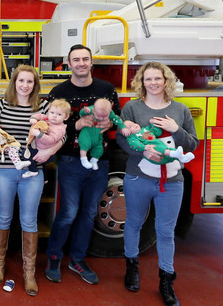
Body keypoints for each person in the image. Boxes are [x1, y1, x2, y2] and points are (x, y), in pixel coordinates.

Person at [115, 62, 198, 305]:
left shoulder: (180, 110)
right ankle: (131, 268)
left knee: (165, 232)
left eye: (157, 78)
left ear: (166, 81)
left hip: (172, 182)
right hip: (138, 178)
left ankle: (166, 280)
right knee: (133, 224)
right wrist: (143, 152)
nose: (153, 83)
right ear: (141, 83)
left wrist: (176, 130)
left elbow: (192, 145)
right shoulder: (131, 108)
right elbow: (122, 141)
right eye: (148, 79)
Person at [45, 44, 120, 286]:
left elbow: (117, 119)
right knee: (68, 212)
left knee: (88, 214)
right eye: (76, 60)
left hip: (100, 162)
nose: (81, 63)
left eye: (85, 59)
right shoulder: (58, 92)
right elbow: (49, 125)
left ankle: (77, 259)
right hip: (70, 160)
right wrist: (75, 125)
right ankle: (54, 257)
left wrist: (111, 125)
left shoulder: (106, 89)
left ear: (91, 62)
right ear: (68, 64)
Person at [0, 64, 57, 296]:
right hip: (4, 169)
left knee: (29, 220)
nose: (25, 85)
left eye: (30, 82)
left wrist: (50, 150)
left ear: (35, 85)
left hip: (33, 172)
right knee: (4, 216)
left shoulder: (43, 106)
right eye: (21, 81)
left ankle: (29, 272)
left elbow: (61, 133)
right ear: (14, 82)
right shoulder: (1, 105)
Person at [22, 98, 71, 178]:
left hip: (45, 150)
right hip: (39, 146)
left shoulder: (60, 129)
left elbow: (51, 140)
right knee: (41, 163)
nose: (54, 116)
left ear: (66, 117)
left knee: (26, 153)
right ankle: (45, 178)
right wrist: (33, 119)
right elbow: (39, 115)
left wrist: (38, 134)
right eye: (52, 112)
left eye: (59, 114)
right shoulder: (47, 118)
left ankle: (32, 171)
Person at [77, 98, 130, 170]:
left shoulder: (110, 113)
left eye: (105, 117)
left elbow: (117, 120)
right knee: (85, 144)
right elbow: (81, 113)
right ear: (93, 110)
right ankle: (83, 159)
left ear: (110, 112)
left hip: (98, 135)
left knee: (99, 149)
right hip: (87, 132)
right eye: (98, 116)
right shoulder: (91, 109)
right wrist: (85, 111)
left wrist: (123, 127)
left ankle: (94, 161)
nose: (101, 118)